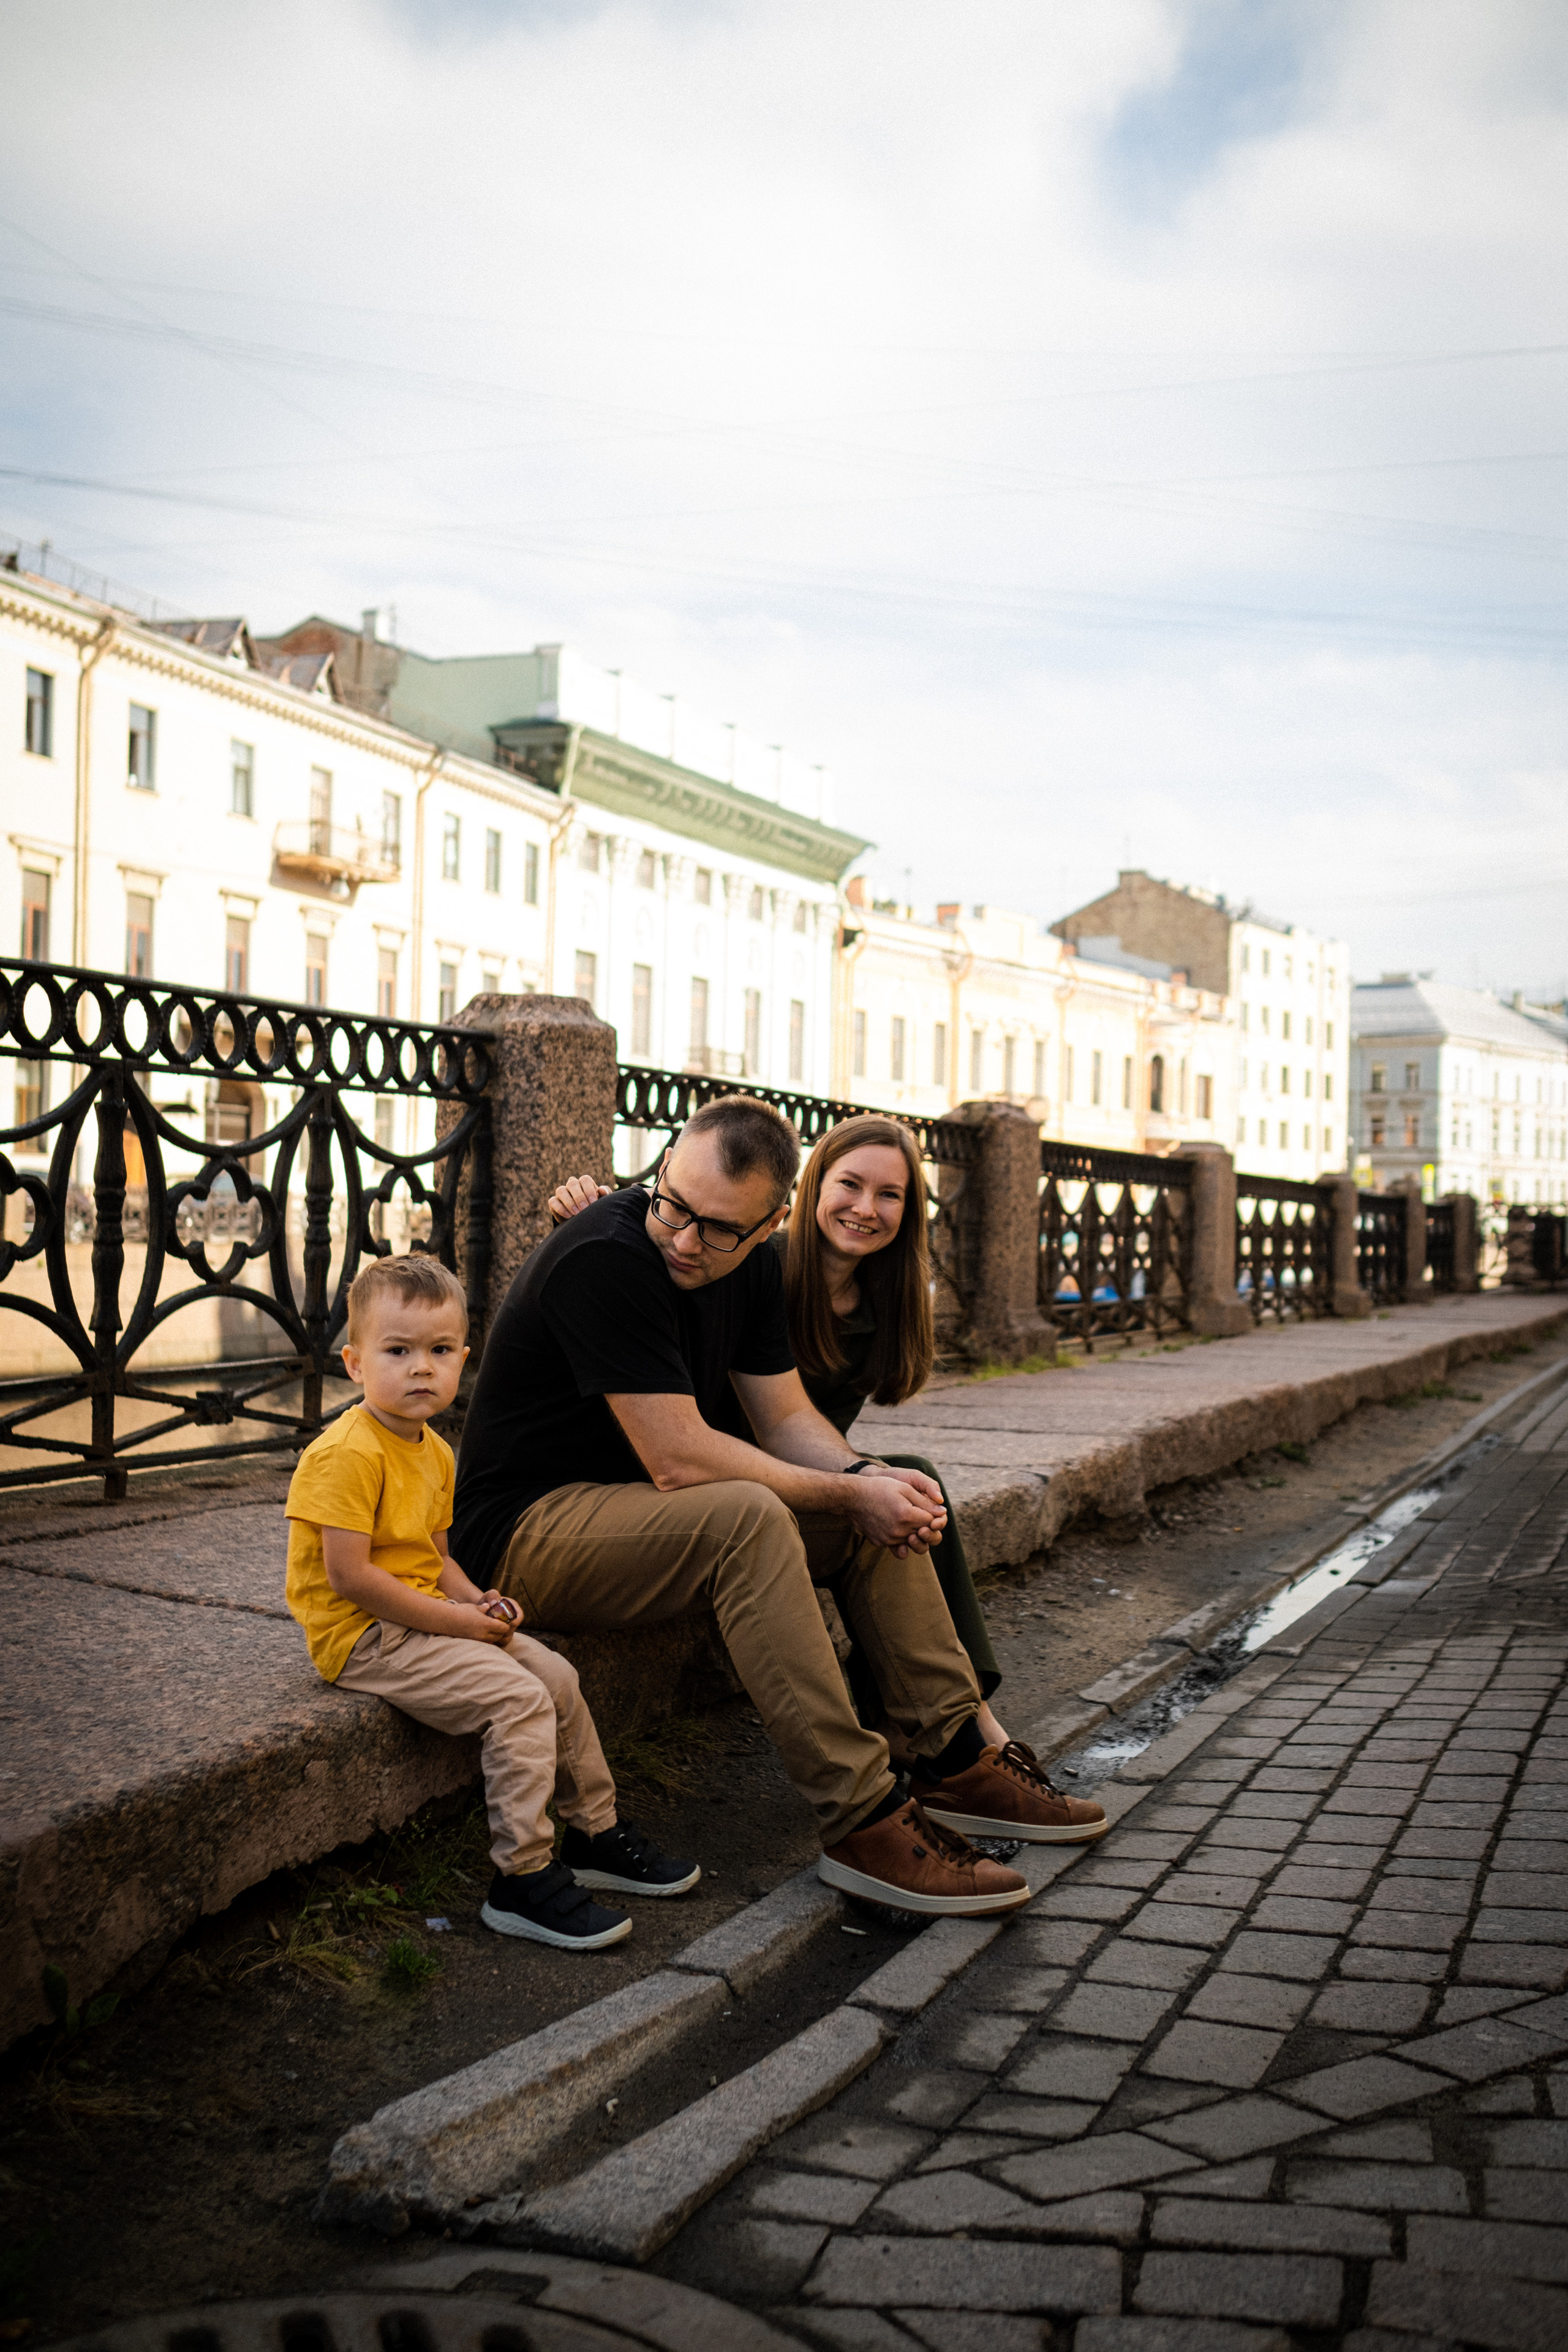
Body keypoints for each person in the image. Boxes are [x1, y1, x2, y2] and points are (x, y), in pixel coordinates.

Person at [452, 1095, 1107, 1922]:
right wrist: (848, 1489)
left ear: (770, 1224)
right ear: (664, 1168)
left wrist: (866, 1479)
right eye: (674, 1206)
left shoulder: (758, 1270)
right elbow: (679, 1456)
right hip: (522, 1531)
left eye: (720, 1229)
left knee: (874, 1505)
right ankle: (863, 1819)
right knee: (749, 1516)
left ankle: (954, 1758)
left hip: (635, 1515)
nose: (684, 1241)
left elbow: (786, 1418)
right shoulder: (606, 1255)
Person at [549, 1111, 1009, 1755]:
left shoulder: (887, 1299)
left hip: (773, 1480)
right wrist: (595, 1217)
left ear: (910, 1212)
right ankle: (932, 1739)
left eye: (889, 1195)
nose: (865, 1208)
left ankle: (952, 1726)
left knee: (911, 1485)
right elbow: (657, 1277)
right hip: (707, 1481)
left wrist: (865, 1481)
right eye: (849, 1184)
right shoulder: (745, 1259)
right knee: (869, 1501)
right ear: (810, 1188)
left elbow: (794, 1425)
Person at [284, 1251, 699, 1953]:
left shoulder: (436, 1453)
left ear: (464, 1359)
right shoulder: (346, 1454)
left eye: (440, 1351)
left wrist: (481, 1601)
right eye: (398, 1351)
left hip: (424, 1616)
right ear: (354, 1364)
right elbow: (351, 1578)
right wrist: (457, 1622)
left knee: (557, 1676)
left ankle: (594, 1833)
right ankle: (523, 1877)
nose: (422, 1368)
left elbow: (436, 1560)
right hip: (364, 1636)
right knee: (518, 1700)